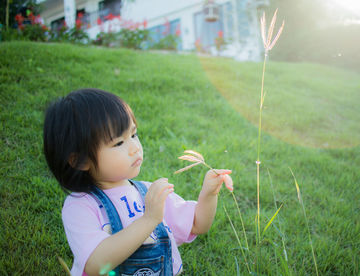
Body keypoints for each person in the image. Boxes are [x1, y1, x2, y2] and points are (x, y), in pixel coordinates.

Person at [43, 88, 233, 276]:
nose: (135, 148)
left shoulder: (148, 193)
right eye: (118, 143)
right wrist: (149, 219)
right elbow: (96, 264)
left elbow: (198, 224)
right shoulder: (81, 206)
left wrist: (209, 194)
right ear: (81, 161)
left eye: (133, 135)